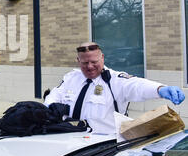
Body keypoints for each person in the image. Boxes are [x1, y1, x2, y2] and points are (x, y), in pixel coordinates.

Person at [44, 42, 185, 134]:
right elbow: (56, 94)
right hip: (69, 141)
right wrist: (51, 105)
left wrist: (160, 89)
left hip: (102, 147)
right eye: (84, 63)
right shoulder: (71, 78)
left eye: (94, 62)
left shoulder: (115, 80)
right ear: (78, 61)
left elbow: (137, 86)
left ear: (102, 58)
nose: (89, 67)